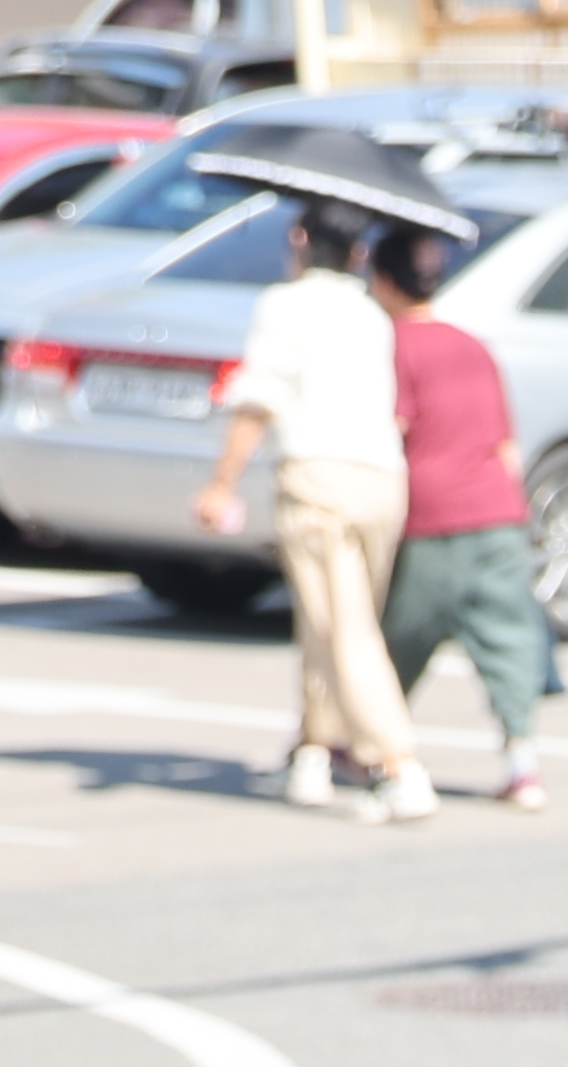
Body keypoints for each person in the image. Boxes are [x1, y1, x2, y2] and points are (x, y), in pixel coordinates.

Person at [191, 196, 427, 825]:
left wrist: (222, 483)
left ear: (299, 240)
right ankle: (314, 753)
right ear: (356, 253)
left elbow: (258, 397)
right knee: (338, 621)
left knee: (340, 628)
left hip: (317, 478)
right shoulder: (371, 313)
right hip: (382, 478)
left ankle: (397, 765)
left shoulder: (283, 306)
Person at [373, 222, 553, 815]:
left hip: (432, 515)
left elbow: (394, 426)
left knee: (399, 637)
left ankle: (373, 745)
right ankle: (521, 762)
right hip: (497, 512)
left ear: (382, 281)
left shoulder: (393, 345)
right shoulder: (473, 345)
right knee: (506, 641)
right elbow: (506, 443)